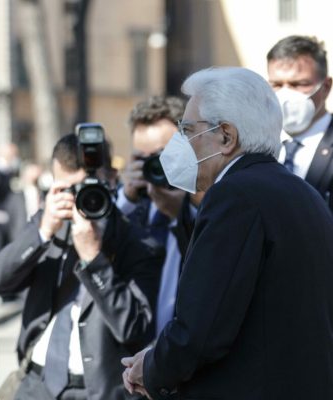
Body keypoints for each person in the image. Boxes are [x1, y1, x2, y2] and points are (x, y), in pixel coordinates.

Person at [122, 66, 333, 400]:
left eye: (187, 129)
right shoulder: (300, 192)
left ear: (226, 136)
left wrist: (150, 369)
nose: (181, 142)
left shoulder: (235, 196)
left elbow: (202, 329)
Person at [0, 133, 161, 400]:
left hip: (98, 391)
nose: (81, 199)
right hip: (36, 383)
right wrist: (43, 231)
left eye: (88, 187)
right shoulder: (49, 226)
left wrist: (94, 261)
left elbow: (134, 328)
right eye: (68, 189)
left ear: (112, 179)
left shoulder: (138, 242)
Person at [118, 95, 203, 337]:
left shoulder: (207, 201)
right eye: (142, 159)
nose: (153, 166)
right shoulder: (130, 207)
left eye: (160, 155)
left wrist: (183, 214)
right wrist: (127, 198)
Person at [267, 35, 333, 210]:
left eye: (299, 84)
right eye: (277, 84)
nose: (286, 94)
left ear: (325, 87)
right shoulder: (253, 144)